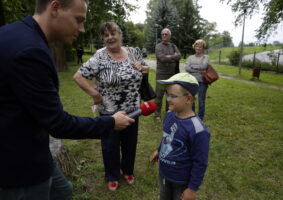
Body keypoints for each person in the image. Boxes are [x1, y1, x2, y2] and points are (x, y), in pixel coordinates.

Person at [0, 0, 134, 199]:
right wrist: (111, 122)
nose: (81, 29)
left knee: (63, 192)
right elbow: (58, 123)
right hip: (18, 167)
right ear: (55, 8)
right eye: (78, 20)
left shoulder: (14, 33)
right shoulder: (30, 51)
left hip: (33, 148)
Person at [73, 21, 149, 191]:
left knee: (130, 143)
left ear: (120, 35)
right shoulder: (99, 56)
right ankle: (112, 175)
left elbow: (145, 70)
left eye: (113, 33)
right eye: (106, 35)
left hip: (133, 109)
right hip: (109, 113)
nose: (110, 37)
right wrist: (95, 95)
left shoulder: (134, 52)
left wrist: (142, 67)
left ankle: (127, 170)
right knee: (110, 146)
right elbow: (78, 76)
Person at [150, 73, 210, 200]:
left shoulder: (198, 130)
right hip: (164, 174)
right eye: (167, 94)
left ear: (188, 99)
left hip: (182, 181)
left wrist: (192, 189)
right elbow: (167, 137)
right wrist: (159, 150)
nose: (168, 99)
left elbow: (200, 162)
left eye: (173, 96)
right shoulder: (170, 115)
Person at [154, 28, 181, 120]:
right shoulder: (158, 46)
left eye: (166, 34)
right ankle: (157, 114)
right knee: (159, 95)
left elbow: (179, 55)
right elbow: (162, 58)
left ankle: (168, 113)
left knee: (169, 95)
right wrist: (173, 57)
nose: (164, 36)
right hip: (161, 74)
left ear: (170, 36)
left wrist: (169, 57)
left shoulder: (173, 46)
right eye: (163, 34)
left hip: (172, 75)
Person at [185, 39, 209, 120]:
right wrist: (199, 69)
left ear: (203, 48)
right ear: (194, 47)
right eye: (197, 46)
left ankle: (200, 117)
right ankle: (192, 115)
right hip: (192, 81)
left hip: (202, 82)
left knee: (201, 100)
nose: (198, 48)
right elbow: (187, 68)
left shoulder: (206, 57)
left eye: (200, 47)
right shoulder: (190, 57)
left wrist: (193, 66)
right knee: (191, 99)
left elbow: (204, 66)